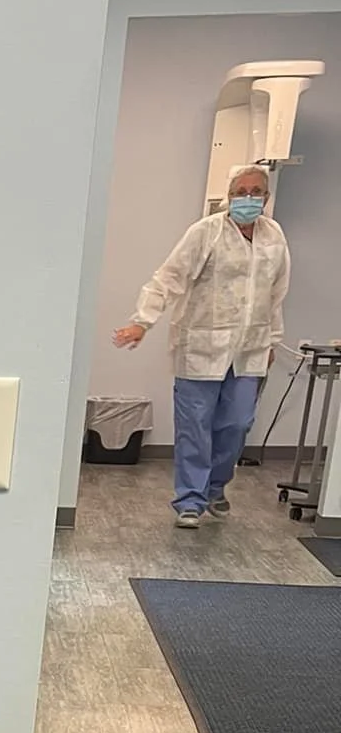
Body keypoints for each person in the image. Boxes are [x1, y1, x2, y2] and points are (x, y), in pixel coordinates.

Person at [113, 165, 290, 528]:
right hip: (201, 346)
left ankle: (215, 486)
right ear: (229, 196)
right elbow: (169, 277)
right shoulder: (205, 232)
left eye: (255, 191)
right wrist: (142, 321)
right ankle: (190, 500)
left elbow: (276, 294)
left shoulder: (274, 236)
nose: (248, 198)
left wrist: (272, 339)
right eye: (241, 191)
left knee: (238, 424)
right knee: (194, 425)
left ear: (266, 197)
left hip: (249, 348)